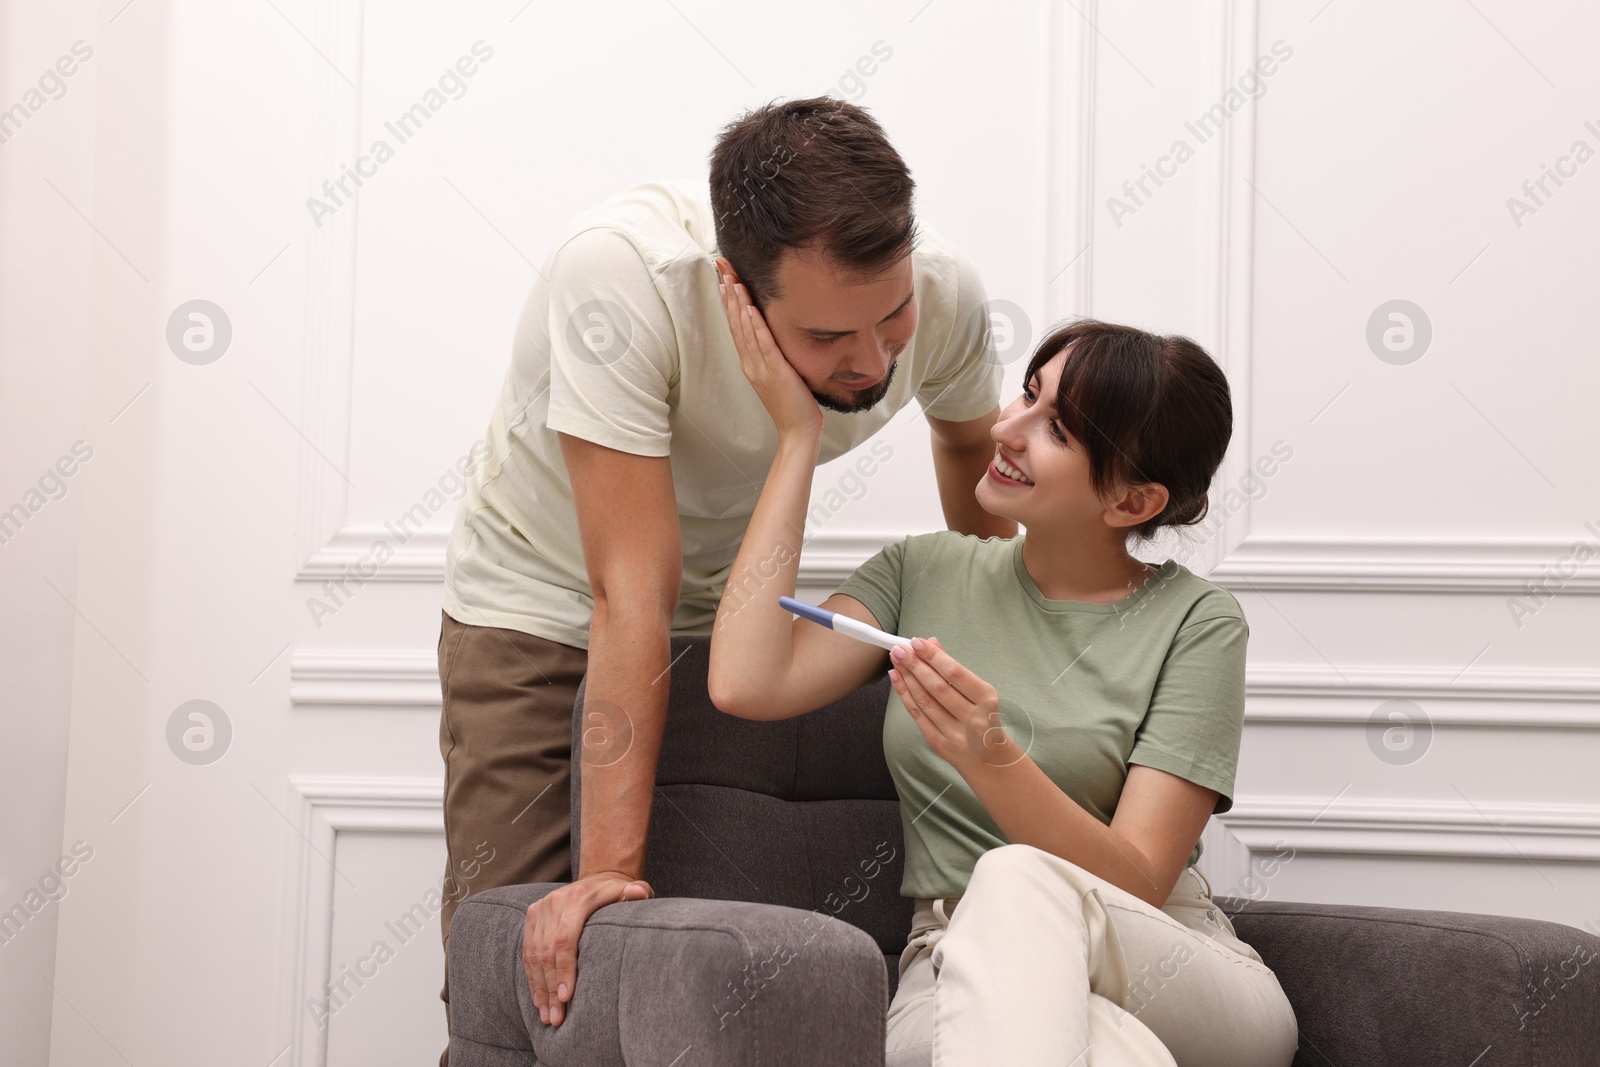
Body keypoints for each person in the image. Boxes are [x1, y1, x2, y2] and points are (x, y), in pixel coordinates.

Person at [434, 96, 1017, 1050]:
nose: (874, 361)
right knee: (534, 964)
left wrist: (1021, 667)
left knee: (687, 978)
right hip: (538, 601)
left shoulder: (943, 293)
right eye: (830, 339)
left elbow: (972, 465)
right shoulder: (621, 282)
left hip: (719, 606)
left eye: (893, 315)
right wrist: (603, 883)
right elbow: (629, 591)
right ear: (734, 291)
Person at [706, 286, 1300, 1066]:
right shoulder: (921, 570)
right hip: (952, 971)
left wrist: (992, 758)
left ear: (1133, 498)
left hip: (1170, 961)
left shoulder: (1197, 623)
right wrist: (796, 437)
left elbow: (1139, 878)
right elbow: (745, 680)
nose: (1004, 429)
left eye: (1054, 427)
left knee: (1016, 877)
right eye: (1027, 393)